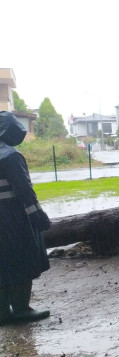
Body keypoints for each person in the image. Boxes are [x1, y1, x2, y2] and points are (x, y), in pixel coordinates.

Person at [0, 111, 51, 326]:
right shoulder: (11, 156)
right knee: (23, 258)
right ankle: (21, 308)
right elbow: (24, 191)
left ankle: (2, 313)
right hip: (13, 218)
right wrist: (39, 216)